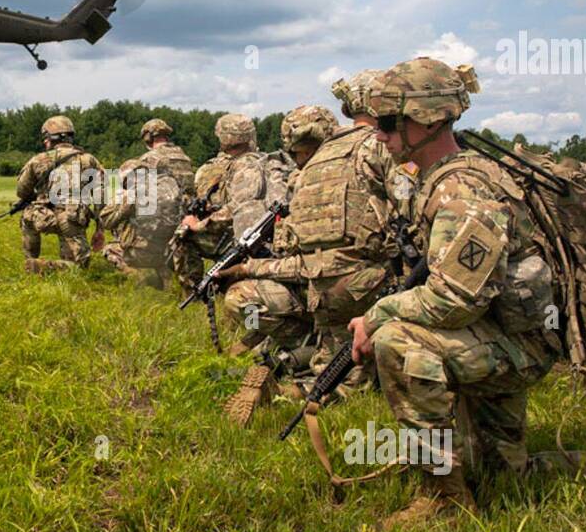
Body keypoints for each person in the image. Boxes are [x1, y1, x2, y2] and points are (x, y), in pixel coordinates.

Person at [347, 57, 586, 527]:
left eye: (387, 122)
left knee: (398, 342)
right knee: (507, 475)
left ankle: (445, 502)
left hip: (513, 346)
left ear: (425, 120)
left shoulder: (463, 190)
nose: (379, 135)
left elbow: (453, 300)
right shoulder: (446, 177)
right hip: (500, 332)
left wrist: (378, 314)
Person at [214, 104, 339, 424]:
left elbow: (310, 263)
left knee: (347, 370)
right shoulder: (296, 177)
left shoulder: (310, 182)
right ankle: (290, 357)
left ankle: (289, 366)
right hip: (331, 291)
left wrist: (252, 268)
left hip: (332, 291)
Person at [300, 69, 417, 402]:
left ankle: (299, 387)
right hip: (366, 284)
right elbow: (410, 205)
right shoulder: (377, 147)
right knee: (355, 380)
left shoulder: (318, 155)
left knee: (330, 363)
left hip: (318, 284)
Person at [172, 113, 288, 291]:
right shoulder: (267, 160)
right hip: (275, 235)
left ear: (223, 139)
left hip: (254, 239)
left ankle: (197, 290)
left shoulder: (244, 167)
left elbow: (239, 208)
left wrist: (198, 224)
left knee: (183, 237)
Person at [100, 119, 195, 289]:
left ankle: (143, 274)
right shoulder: (185, 158)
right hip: (182, 230)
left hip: (155, 229)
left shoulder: (149, 159)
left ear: (148, 137)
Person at [15, 115, 105, 274]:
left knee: (26, 216)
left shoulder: (38, 160)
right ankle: (53, 266)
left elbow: (22, 191)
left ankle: (31, 259)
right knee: (79, 267)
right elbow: (100, 196)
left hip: (42, 217)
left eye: (45, 138)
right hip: (72, 218)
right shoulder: (88, 160)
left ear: (51, 138)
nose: (44, 142)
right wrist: (99, 229)